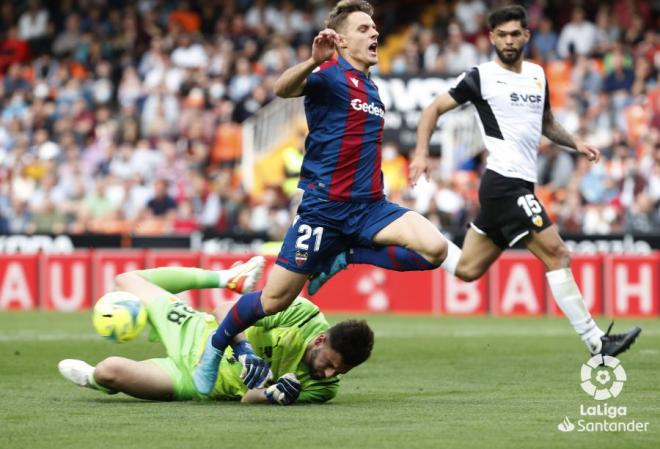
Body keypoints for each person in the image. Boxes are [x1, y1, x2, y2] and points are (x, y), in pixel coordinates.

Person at [192, 0, 461, 395]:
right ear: (342, 41)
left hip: (370, 207)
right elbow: (282, 89)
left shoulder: (372, 87)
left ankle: (345, 255)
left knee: (435, 250)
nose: (375, 34)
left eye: (374, 28)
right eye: (365, 29)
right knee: (273, 300)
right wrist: (313, 61)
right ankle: (215, 350)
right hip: (324, 212)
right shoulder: (329, 76)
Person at [411, 5, 641, 357]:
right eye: (501, 35)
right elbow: (432, 110)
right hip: (505, 184)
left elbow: (546, 122)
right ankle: (597, 342)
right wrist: (421, 154)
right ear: (491, 37)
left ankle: (408, 237)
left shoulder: (537, 74)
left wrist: (576, 142)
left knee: (468, 268)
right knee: (558, 253)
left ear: (526, 36)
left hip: (517, 186)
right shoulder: (481, 76)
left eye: (514, 33)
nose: (508, 40)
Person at [58, 258, 374, 405]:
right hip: (195, 333)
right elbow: (224, 311)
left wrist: (273, 396)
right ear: (320, 340)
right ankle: (223, 276)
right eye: (329, 362)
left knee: (109, 371)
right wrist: (244, 350)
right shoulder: (301, 314)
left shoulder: (325, 389)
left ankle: (91, 380)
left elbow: (249, 399)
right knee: (126, 281)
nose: (330, 373)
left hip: (191, 379)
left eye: (339, 371)